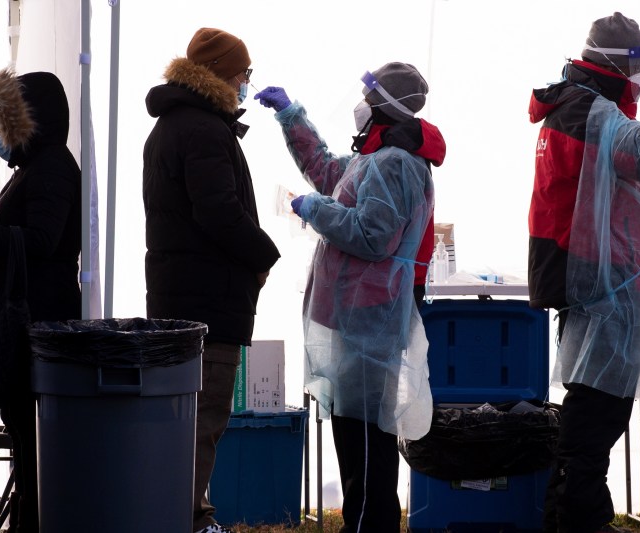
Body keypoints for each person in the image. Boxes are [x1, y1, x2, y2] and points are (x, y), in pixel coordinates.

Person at [526, 12, 640, 533]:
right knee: (594, 418)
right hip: (605, 291)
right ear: (612, 63)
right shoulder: (591, 111)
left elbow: (605, 203)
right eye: (635, 66)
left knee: (592, 412)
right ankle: (578, 520)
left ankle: (577, 516)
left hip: (595, 283)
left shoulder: (575, 107)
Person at [254, 62, 446, 533]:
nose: (359, 103)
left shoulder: (395, 163)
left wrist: (314, 209)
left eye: (368, 94)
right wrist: (291, 116)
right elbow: (329, 171)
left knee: (364, 432)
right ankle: (361, 520)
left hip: (370, 315)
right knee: (352, 425)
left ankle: (368, 524)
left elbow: (372, 235)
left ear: (385, 106)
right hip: (355, 316)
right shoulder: (375, 156)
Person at [142, 27, 280, 533]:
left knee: (182, 420)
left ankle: (182, 513)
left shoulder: (172, 126)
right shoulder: (203, 129)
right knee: (203, 420)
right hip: (208, 302)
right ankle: (189, 520)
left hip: (179, 295)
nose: (247, 81)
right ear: (224, 73)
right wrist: (264, 255)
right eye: (244, 72)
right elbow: (219, 212)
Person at [0, 69, 82, 532]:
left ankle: (33, 523)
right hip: (30, 315)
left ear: (28, 121)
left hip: (39, 318)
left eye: (1, 124)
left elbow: (41, 240)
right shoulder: (37, 168)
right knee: (24, 434)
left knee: (32, 436)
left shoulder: (52, 168)